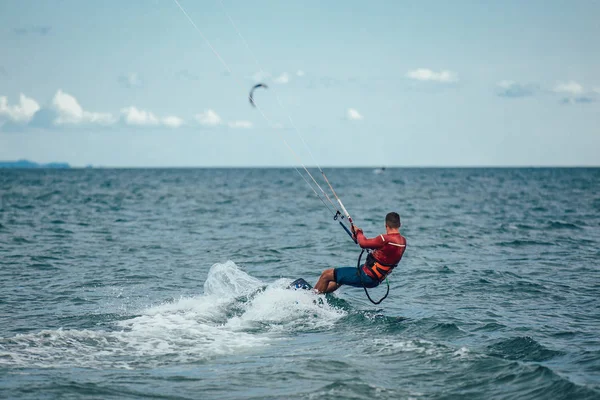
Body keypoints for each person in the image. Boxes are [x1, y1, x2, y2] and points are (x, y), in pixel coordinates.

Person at [314, 212, 406, 294]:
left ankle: (312, 299)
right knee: (340, 279)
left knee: (326, 274)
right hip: (376, 280)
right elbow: (385, 253)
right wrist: (360, 238)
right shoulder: (403, 242)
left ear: (386, 225)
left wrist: (358, 232)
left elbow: (363, 243)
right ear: (400, 225)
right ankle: (322, 294)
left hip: (366, 276)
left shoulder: (384, 239)